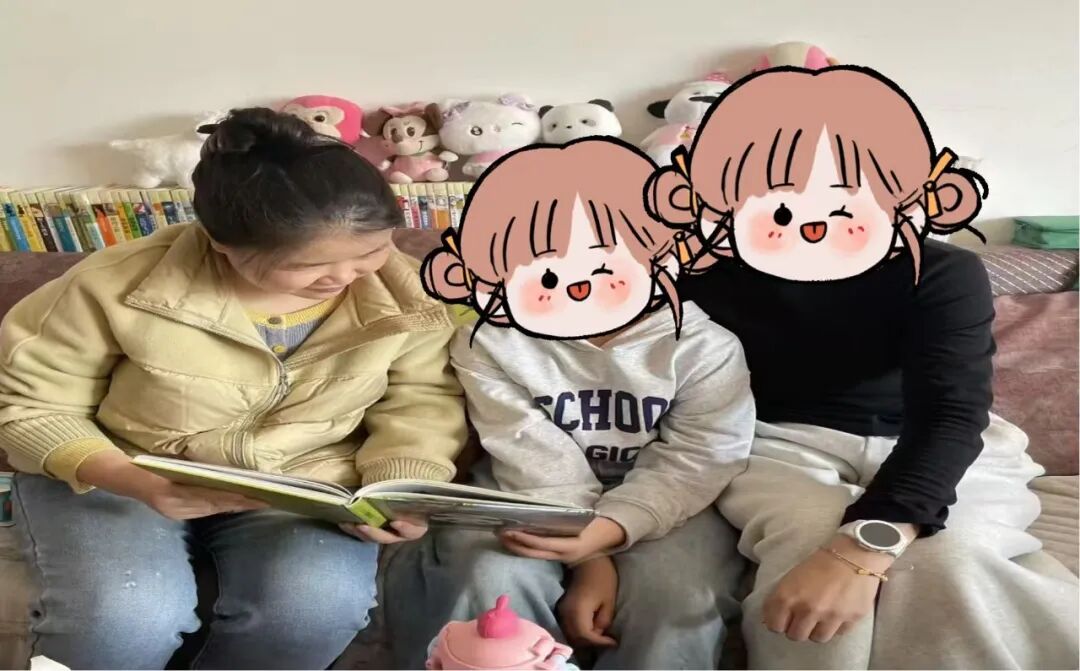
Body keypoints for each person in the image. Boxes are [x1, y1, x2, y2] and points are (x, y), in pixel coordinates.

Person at [0, 108, 468, 670]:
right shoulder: (112, 285)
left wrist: (396, 488)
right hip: (116, 474)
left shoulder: (410, 294)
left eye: (371, 251)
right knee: (124, 617)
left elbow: (422, 401)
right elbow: (29, 404)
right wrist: (131, 478)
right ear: (221, 244)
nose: (347, 277)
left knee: (313, 609)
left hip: (299, 484)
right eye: (310, 266)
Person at [645, 65, 1079, 669]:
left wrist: (864, 548)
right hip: (775, 442)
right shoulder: (699, 275)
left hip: (935, 438)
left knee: (954, 558)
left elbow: (952, 414)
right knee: (807, 545)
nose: (812, 221)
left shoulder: (944, 272)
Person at [383, 137, 755, 669]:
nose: (579, 289)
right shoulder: (488, 341)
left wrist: (611, 530)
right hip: (525, 492)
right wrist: (591, 557)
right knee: (487, 582)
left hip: (668, 502)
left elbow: (701, 456)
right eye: (548, 273)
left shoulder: (707, 348)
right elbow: (524, 447)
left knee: (677, 599)